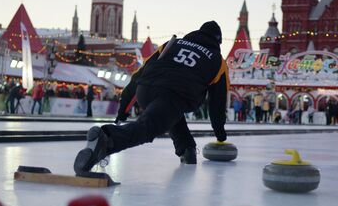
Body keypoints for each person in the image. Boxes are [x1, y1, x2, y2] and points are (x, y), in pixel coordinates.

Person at [73, 21, 229, 174]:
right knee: (148, 126)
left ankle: (187, 149)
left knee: (171, 115)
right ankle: (107, 139)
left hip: (146, 90)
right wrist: (220, 135)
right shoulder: (218, 61)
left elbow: (137, 76)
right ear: (218, 41)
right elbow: (218, 103)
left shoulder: (172, 44)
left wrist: (123, 109)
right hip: (176, 93)